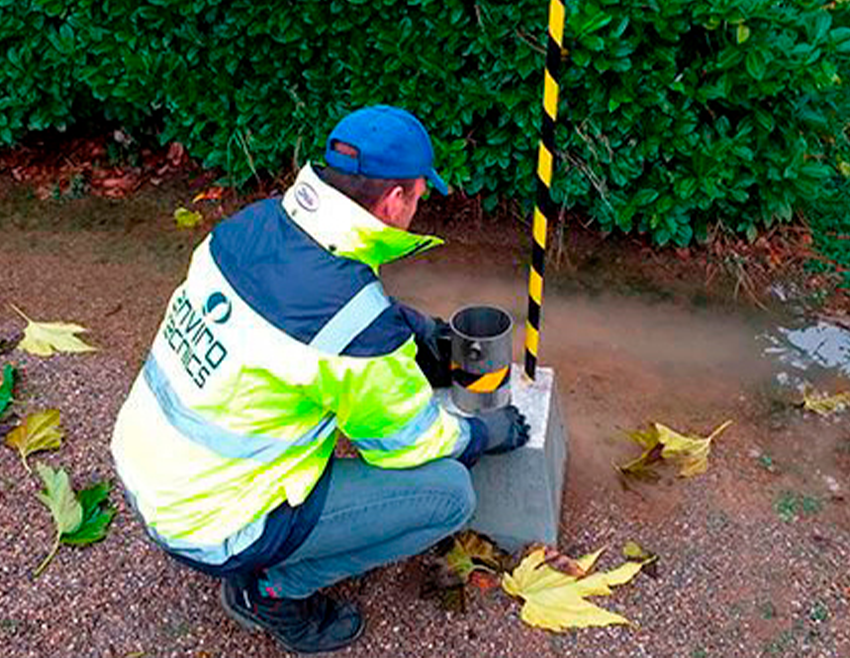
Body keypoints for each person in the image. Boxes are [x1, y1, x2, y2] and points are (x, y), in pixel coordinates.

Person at [110, 105, 530, 653]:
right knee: (450, 493)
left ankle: (263, 559)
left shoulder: (251, 226)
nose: (419, 206)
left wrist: (417, 331)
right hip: (211, 521)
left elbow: (324, 306)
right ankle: (271, 590)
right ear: (395, 200)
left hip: (148, 468)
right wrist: (485, 434)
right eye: (419, 194)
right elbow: (409, 444)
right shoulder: (357, 333)